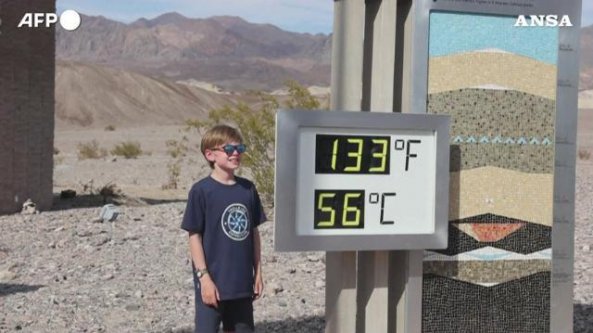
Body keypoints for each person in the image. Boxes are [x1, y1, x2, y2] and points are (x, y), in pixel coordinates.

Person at [181, 124, 266, 333]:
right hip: (213, 283)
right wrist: (204, 277)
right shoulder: (201, 191)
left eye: (240, 149)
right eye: (228, 149)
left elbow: (253, 233)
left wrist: (258, 272)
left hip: (241, 284)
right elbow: (194, 236)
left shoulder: (248, 189)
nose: (235, 153)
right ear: (210, 154)